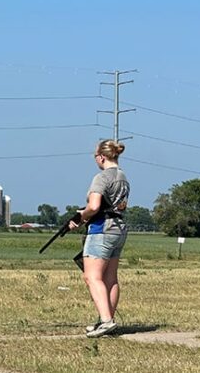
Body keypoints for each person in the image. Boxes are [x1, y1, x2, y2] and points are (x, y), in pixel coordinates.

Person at [68, 139, 130, 338]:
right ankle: (107, 318)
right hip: (118, 229)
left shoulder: (101, 177)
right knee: (110, 277)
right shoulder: (123, 177)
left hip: (101, 229)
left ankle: (106, 320)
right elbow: (117, 206)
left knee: (92, 276)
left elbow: (94, 206)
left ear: (102, 157)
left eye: (95, 156)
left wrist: (80, 217)